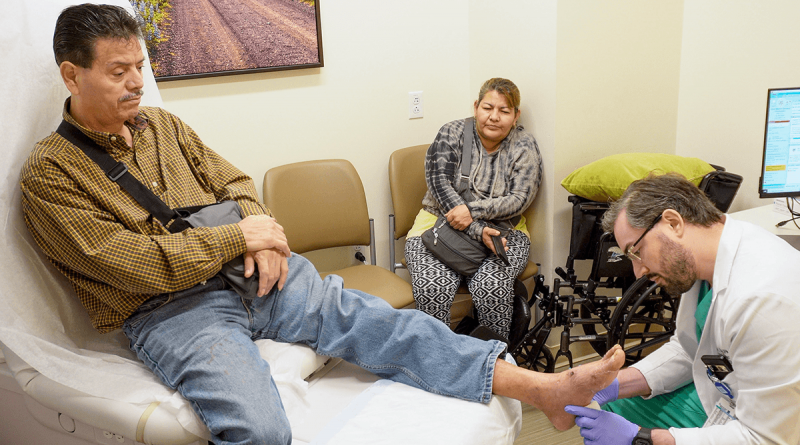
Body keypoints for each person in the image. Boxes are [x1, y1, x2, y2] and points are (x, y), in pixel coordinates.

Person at [20, 4, 623, 443]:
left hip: (256, 273)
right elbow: (122, 260)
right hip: (171, 309)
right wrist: (240, 235)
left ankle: (538, 387)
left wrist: (266, 236)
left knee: (384, 325)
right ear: (72, 76)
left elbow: (234, 185)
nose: (136, 83)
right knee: (258, 427)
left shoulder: (164, 128)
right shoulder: (49, 174)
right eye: (118, 71)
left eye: (139, 67)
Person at [565, 173, 800, 445]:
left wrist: (641, 439)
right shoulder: (703, 263)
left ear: (673, 222)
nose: (639, 271)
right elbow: (690, 349)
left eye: (636, 252)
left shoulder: (763, 301)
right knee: (613, 409)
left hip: (775, 427)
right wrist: (614, 384)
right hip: (727, 392)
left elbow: (766, 438)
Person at [405, 78, 542, 340]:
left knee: (492, 285)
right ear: (476, 106)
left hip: (505, 231)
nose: (494, 117)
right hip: (437, 226)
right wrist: (478, 230)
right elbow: (439, 184)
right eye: (488, 108)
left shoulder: (525, 144)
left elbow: (520, 199)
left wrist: (471, 211)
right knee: (433, 290)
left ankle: (495, 365)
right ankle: (439, 365)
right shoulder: (452, 132)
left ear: (516, 115)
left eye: (504, 111)